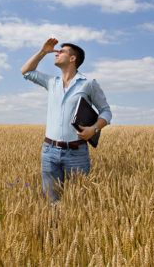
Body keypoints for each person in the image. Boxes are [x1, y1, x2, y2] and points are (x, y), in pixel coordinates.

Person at [21, 37, 112, 202]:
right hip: (49, 151)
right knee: (51, 202)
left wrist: (94, 129)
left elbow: (106, 111)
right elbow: (26, 71)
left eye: (61, 51)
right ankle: (53, 228)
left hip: (77, 153)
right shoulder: (51, 82)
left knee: (77, 204)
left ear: (73, 58)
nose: (56, 53)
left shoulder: (88, 83)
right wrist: (42, 52)